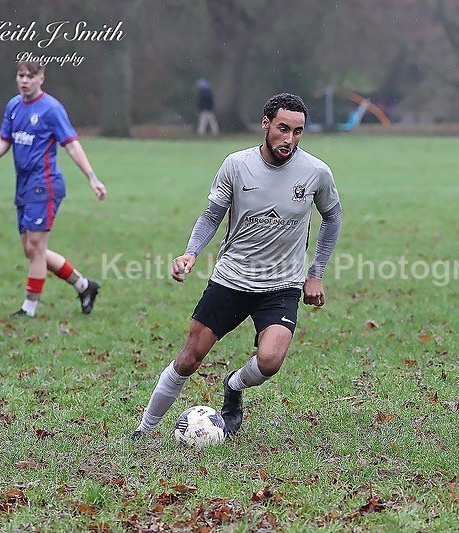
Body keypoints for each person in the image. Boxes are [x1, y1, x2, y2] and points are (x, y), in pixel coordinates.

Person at [133, 93, 342, 438]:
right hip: (231, 279)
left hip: (281, 285)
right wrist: (191, 253)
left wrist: (316, 274)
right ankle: (144, 429)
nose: (289, 139)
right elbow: (211, 215)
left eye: (298, 131)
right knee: (189, 359)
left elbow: (332, 218)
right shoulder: (236, 164)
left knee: (270, 361)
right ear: (266, 124)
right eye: (283, 128)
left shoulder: (316, 172)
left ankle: (233, 385)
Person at [0, 61, 106, 318]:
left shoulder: (51, 109)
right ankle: (84, 286)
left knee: (36, 247)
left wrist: (92, 178)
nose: (24, 80)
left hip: (45, 184)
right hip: (24, 186)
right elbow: (4, 141)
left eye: (30, 76)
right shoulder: (14, 106)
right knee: (31, 250)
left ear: (41, 79)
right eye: (20, 75)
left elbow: (72, 145)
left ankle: (29, 308)